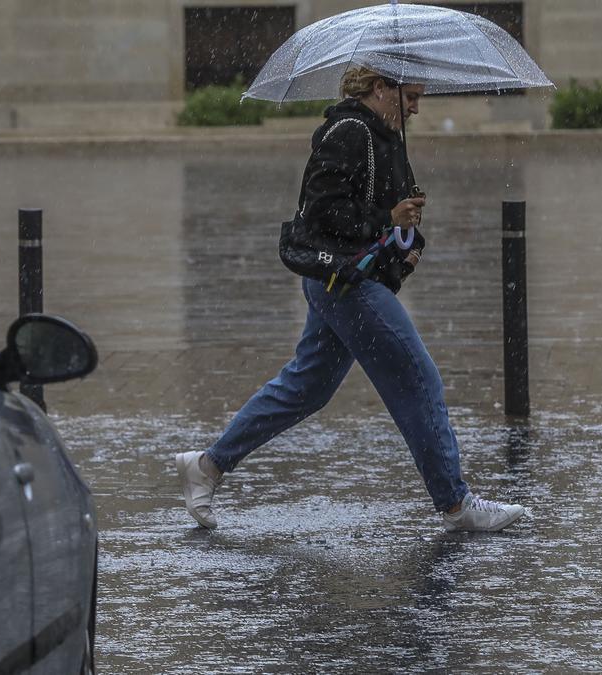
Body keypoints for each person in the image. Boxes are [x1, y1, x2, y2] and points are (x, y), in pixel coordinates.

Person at [174, 67, 525, 532]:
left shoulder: (388, 137)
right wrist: (386, 217)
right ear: (380, 89)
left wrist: (409, 243)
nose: (417, 108)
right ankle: (457, 505)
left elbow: (397, 215)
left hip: (346, 281)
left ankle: (207, 466)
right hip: (344, 283)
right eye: (411, 97)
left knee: (307, 387)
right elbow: (322, 213)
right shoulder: (348, 132)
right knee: (418, 379)